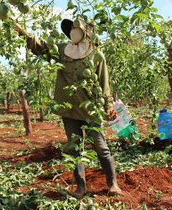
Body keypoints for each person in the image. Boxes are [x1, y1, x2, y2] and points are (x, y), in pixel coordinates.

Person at [13, 16, 122, 198]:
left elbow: (104, 83)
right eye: (70, 28)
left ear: (86, 31)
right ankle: (80, 187)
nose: (72, 30)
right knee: (75, 148)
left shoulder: (96, 54)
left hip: (91, 109)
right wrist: (21, 31)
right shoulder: (63, 51)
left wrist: (108, 105)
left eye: (75, 27)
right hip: (69, 109)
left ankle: (112, 184)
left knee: (101, 146)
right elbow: (41, 47)